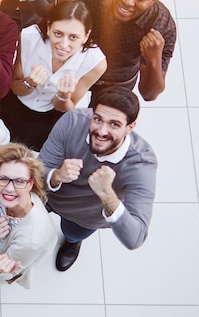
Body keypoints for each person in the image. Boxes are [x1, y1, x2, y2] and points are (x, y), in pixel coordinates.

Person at [39, 86, 157, 272]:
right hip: (49, 194)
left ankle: (72, 242)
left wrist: (108, 196)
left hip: (85, 218)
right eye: (97, 119)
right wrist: (56, 176)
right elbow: (41, 167)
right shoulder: (73, 121)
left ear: (130, 127)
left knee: (72, 233)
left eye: (114, 124)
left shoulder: (141, 164)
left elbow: (135, 238)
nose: (101, 131)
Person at [0, 1, 107, 151]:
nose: (63, 44)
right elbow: (15, 88)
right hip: (13, 107)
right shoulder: (29, 37)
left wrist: (63, 95)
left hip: (50, 118)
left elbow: (65, 107)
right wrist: (30, 82)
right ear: (49, 28)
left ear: (86, 36)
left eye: (73, 37)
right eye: (58, 34)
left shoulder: (95, 62)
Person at [69, 0, 176, 101]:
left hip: (116, 83)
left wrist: (154, 59)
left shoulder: (162, 26)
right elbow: (61, 29)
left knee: (104, 122)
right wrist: (63, 3)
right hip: (76, 67)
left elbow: (149, 94)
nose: (127, 2)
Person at [0, 143, 57, 288]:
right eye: (3, 178)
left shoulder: (31, 240)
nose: (9, 189)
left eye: (19, 181)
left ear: (31, 184)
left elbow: (8, 272)